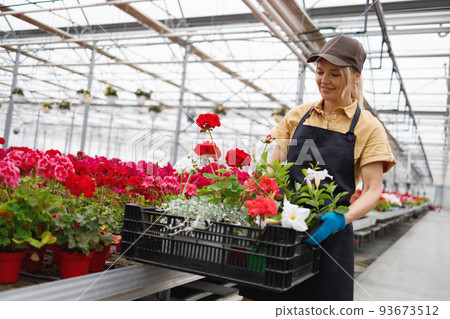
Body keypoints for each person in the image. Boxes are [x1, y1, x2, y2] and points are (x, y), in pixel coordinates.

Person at [240, 34, 396, 301]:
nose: (324, 80)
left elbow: (372, 190)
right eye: (320, 71)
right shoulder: (298, 115)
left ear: (355, 76)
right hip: (283, 227)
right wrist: (264, 203)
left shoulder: (368, 127)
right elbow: (272, 169)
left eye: (334, 74)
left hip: (331, 234)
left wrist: (341, 219)